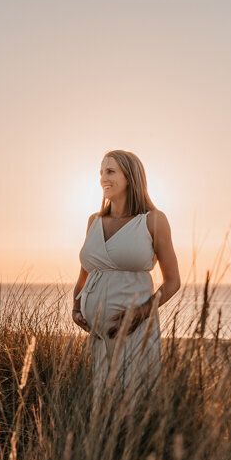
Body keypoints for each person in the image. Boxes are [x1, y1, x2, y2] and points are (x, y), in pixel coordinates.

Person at [72, 150, 180, 392]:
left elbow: (173, 281)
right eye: (101, 172)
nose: (103, 178)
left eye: (110, 171)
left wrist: (139, 314)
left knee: (134, 404)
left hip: (136, 332)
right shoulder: (94, 221)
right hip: (98, 334)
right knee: (100, 407)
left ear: (130, 177)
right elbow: (84, 274)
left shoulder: (153, 220)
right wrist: (76, 307)